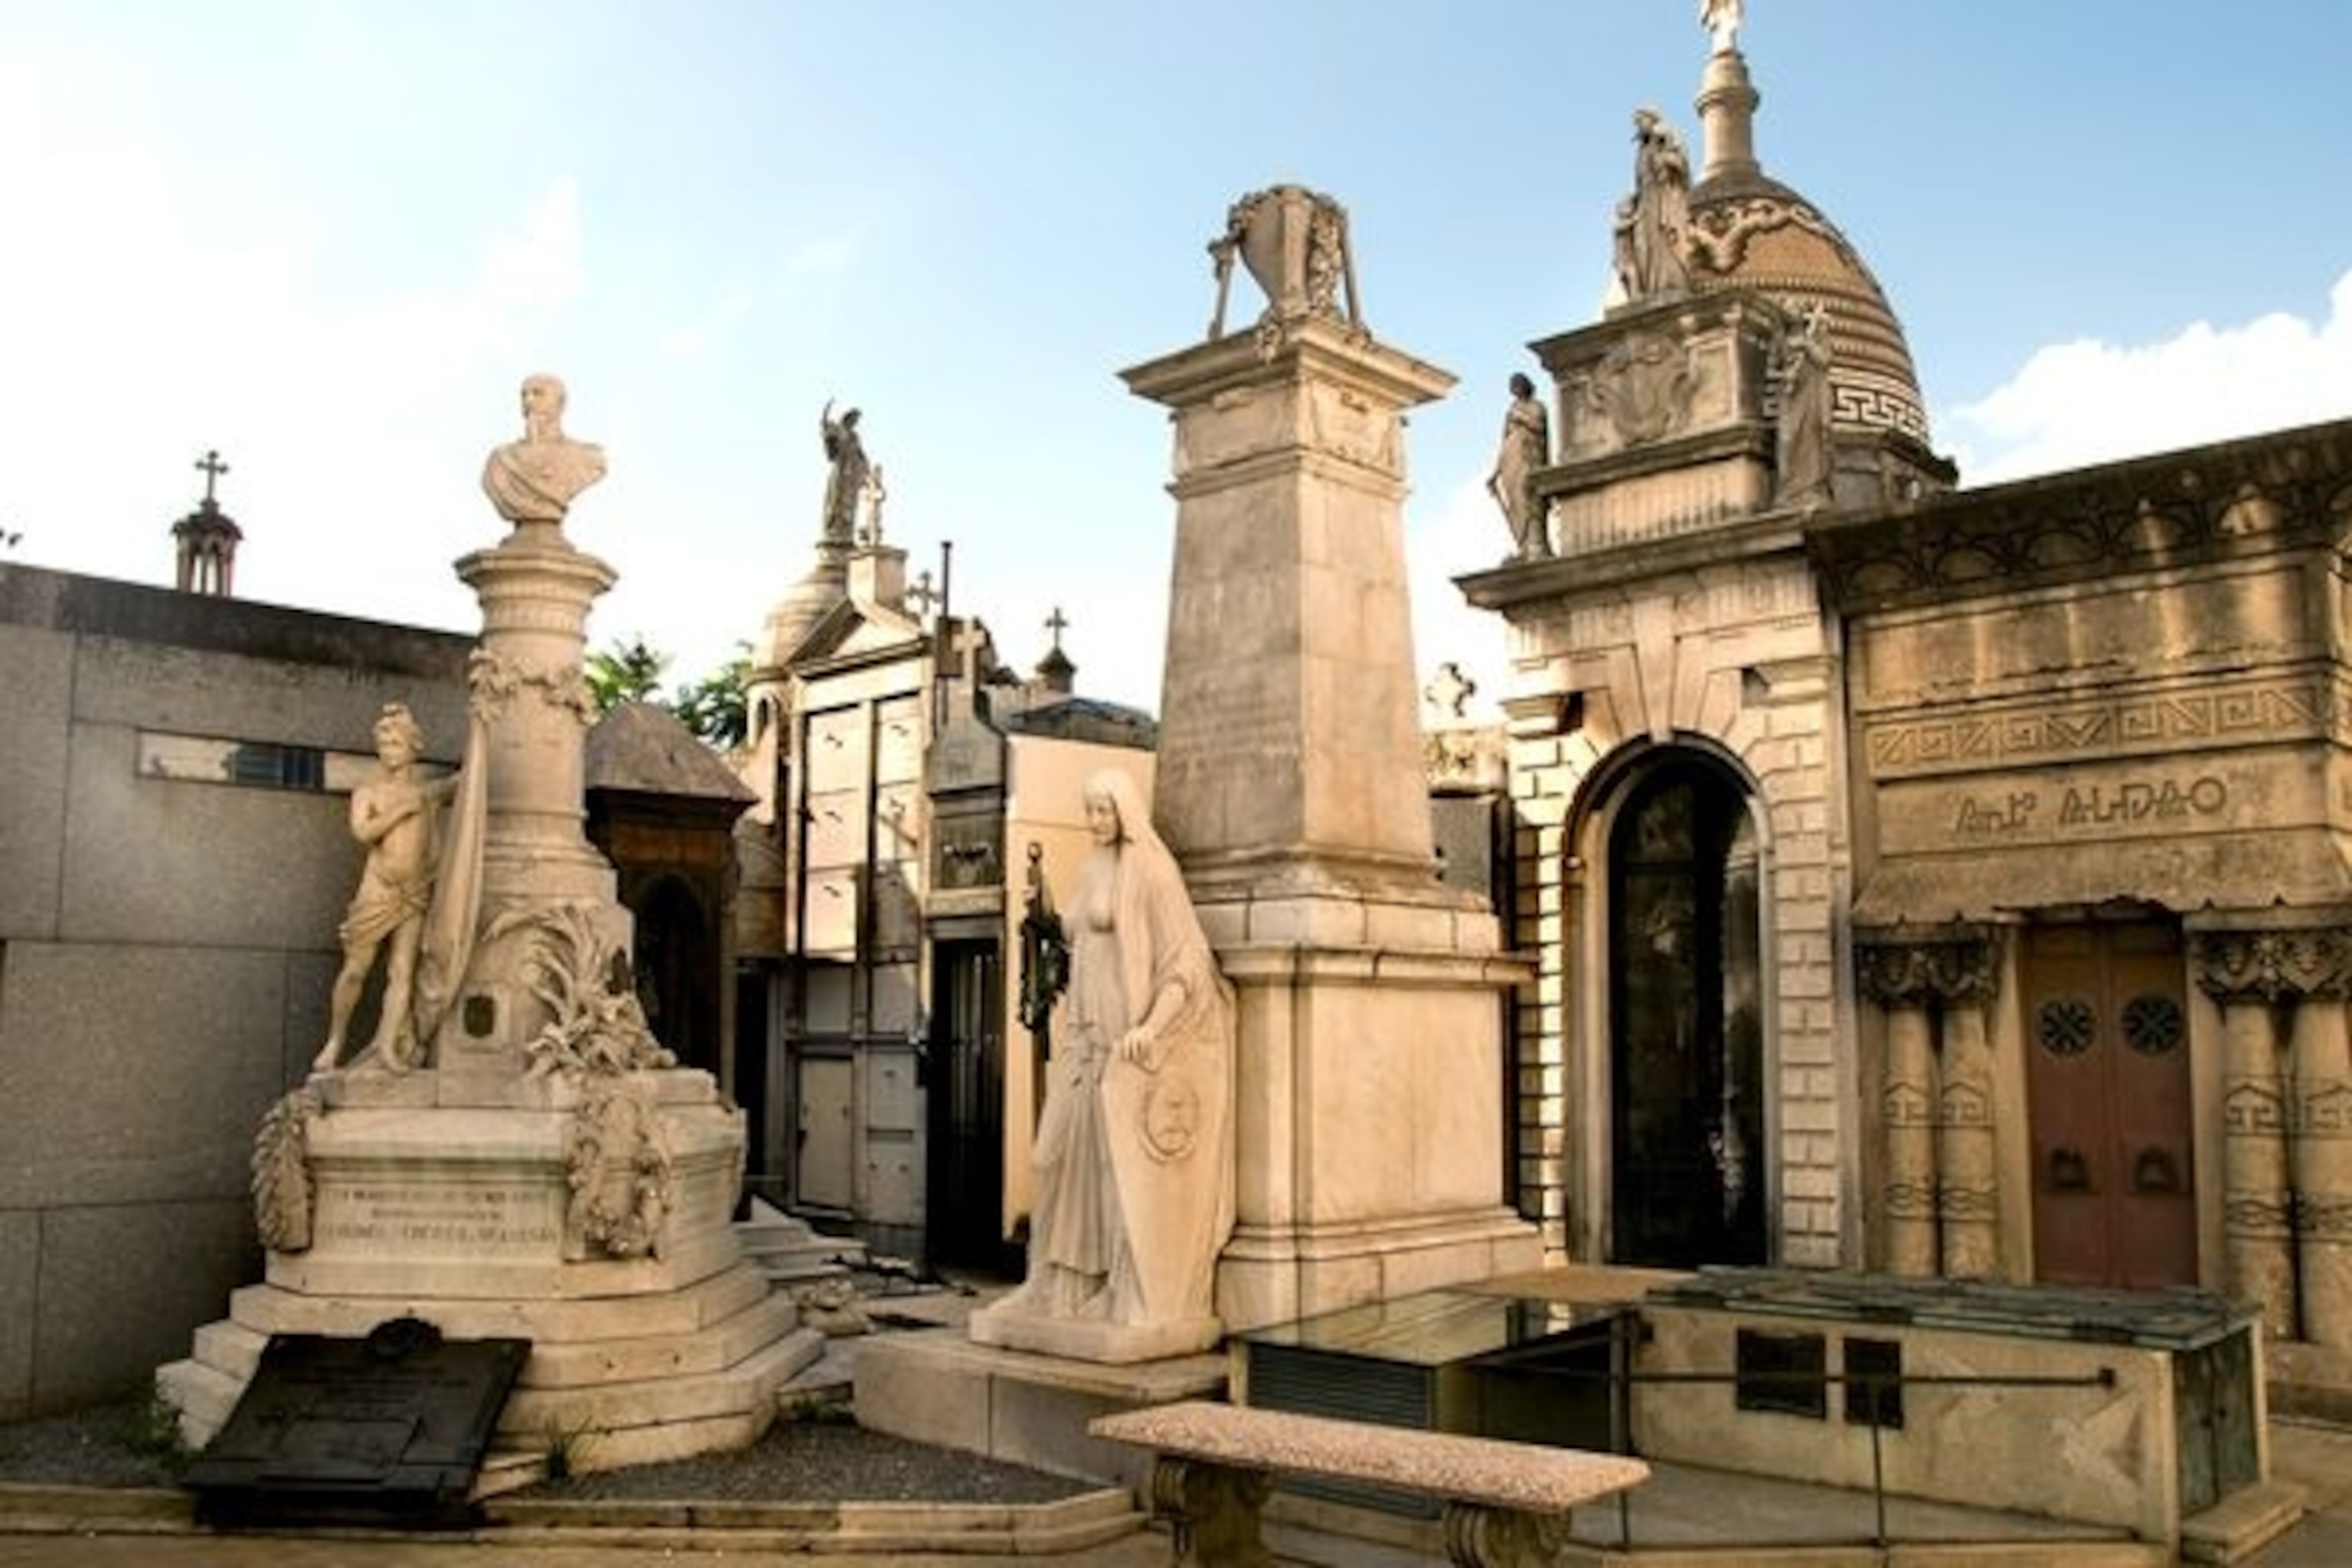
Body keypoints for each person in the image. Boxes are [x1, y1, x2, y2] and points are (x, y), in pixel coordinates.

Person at [995, 769, 1235, 1331]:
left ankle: (1115, 1288)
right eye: (1089, 810)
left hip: (1121, 1041)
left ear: (1124, 811)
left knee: (1112, 1170)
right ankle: (1053, 1286)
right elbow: (1070, 934)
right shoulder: (1092, 865)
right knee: (1052, 1159)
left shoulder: (1152, 871)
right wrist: (1043, 912)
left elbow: (1184, 964)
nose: (1093, 821)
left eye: (1103, 811)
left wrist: (1152, 1025)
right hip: (1082, 1037)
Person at [313, 704, 459, 1073]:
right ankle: (335, 1040)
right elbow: (362, 832)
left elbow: (465, 783)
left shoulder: (428, 793)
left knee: (401, 970)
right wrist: (401, 810)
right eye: (384, 743)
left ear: (413, 747)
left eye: (396, 743)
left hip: (414, 890)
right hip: (377, 889)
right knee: (356, 970)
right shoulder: (369, 792)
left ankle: (388, 1046)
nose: (388, 750)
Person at [481, 374, 606, 527]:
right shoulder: (500, 459)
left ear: (561, 403)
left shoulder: (588, 457)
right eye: (524, 395)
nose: (529, 401)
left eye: (538, 393)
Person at [1619, 109, 1693, 303]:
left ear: (1652, 120)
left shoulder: (1664, 140)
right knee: (1643, 245)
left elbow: (1680, 164)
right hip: (1645, 203)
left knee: (1662, 240)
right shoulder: (1642, 149)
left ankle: (1667, 282)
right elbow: (1641, 180)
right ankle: (1649, 288)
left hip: (1662, 200)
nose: (1638, 126)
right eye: (1636, 123)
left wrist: (1666, 160)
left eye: (1640, 121)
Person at [1774, 304, 1837, 511]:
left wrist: (1807, 345)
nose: (1791, 312)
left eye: (1794, 307)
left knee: (1812, 436)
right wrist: (1786, 376)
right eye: (1786, 309)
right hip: (1790, 398)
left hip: (1813, 394)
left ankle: (1811, 490)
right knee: (1788, 440)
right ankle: (1790, 491)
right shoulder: (1781, 340)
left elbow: (1825, 360)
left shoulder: (1817, 333)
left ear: (1802, 314)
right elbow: (1774, 368)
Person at [1487, 372, 1552, 560]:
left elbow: (1539, 427)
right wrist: (1495, 473)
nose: (1515, 388)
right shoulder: (1511, 411)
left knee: (1529, 498)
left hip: (1529, 457)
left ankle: (1536, 544)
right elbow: (1504, 442)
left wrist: (1521, 418)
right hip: (1510, 462)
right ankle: (1523, 545)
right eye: (1512, 385)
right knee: (1515, 503)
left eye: (1518, 384)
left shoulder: (1537, 406)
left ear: (1526, 385)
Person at [819, 400, 872, 546]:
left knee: (849, 503)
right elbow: (831, 451)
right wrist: (828, 437)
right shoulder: (838, 431)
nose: (855, 423)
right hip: (840, 471)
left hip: (851, 474)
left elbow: (861, 455)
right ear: (847, 418)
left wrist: (868, 474)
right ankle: (833, 533)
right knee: (836, 500)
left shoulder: (855, 437)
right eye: (853, 419)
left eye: (856, 420)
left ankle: (846, 533)